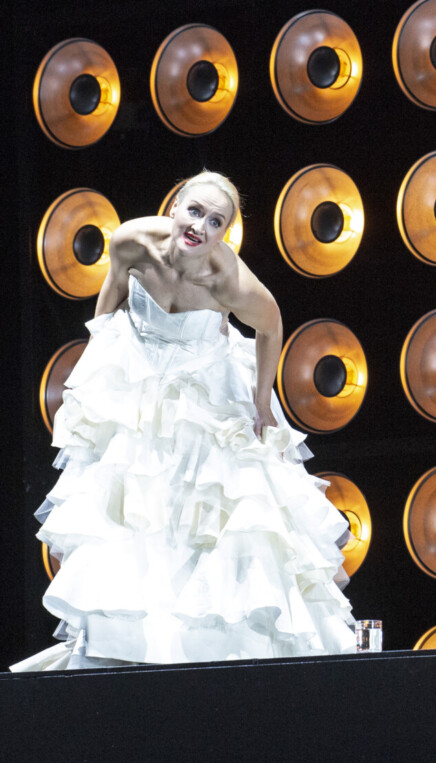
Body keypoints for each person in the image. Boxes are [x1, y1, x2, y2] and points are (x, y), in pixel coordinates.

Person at [13, 171, 356, 671]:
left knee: (216, 512)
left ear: (224, 234)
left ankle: (219, 653)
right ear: (174, 207)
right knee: (130, 511)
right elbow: (110, 291)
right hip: (141, 385)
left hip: (205, 388)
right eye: (194, 211)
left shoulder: (227, 279)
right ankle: (134, 651)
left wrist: (262, 402)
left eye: (216, 221)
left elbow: (271, 325)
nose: (200, 226)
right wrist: (98, 356)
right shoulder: (131, 239)